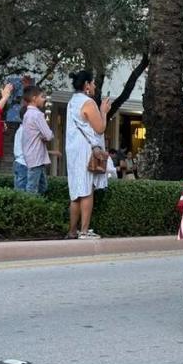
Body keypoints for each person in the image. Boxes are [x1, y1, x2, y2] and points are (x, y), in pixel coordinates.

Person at [65, 70, 111, 239]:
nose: (94, 86)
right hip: (85, 149)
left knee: (76, 191)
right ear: (86, 85)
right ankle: (84, 230)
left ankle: (72, 230)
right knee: (86, 189)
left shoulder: (71, 102)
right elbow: (99, 128)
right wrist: (103, 111)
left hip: (73, 148)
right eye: (93, 83)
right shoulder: (88, 102)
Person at [21, 85, 55, 195]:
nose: (44, 99)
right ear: (34, 98)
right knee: (34, 188)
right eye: (42, 96)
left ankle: (37, 207)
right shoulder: (37, 115)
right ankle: (31, 209)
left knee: (40, 186)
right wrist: (45, 136)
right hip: (37, 156)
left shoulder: (27, 114)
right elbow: (49, 135)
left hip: (31, 155)